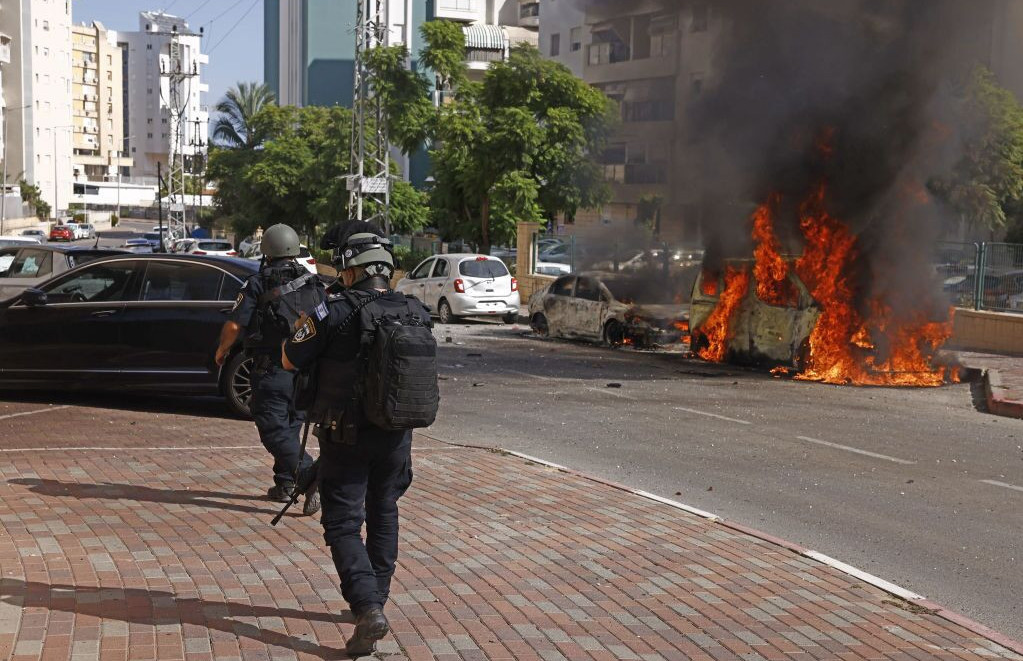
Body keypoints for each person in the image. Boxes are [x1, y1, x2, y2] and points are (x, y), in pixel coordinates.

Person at [281, 221, 429, 656]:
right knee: (384, 512)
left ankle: (366, 608)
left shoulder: (333, 311)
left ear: (351, 268)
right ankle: (376, 601)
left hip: (344, 436)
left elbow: (290, 357)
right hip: (396, 435)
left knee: (343, 523)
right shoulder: (414, 310)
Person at [215, 223, 319, 515]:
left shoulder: (257, 283)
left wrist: (222, 351)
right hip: (304, 370)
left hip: (272, 368)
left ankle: (310, 474)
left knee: (272, 428)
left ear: (267, 251)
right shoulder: (313, 283)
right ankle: (286, 483)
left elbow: (235, 324)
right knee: (290, 426)